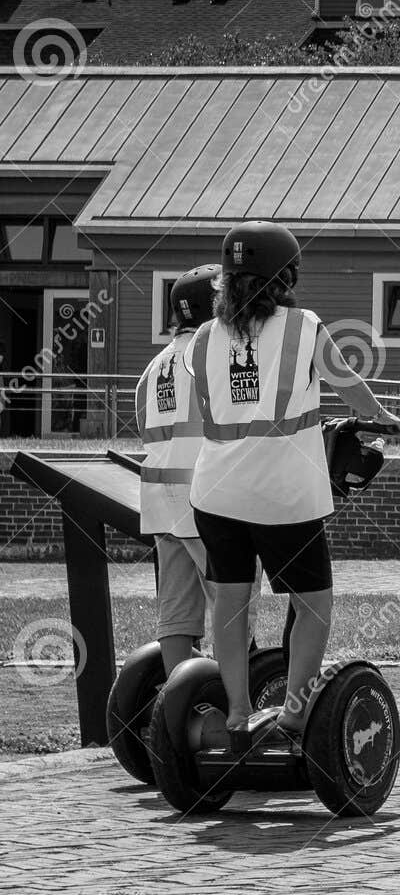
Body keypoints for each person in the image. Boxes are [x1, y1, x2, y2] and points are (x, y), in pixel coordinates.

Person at [188, 221, 400, 751]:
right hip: (283, 496)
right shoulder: (304, 327)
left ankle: (237, 715)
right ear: (286, 276)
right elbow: (349, 386)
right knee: (312, 605)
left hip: (214, 493)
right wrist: (382, 417)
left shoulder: (201, 337)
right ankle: (294, 718)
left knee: (233, 606)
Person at [135, 264, 223, 676]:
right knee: (231, 601)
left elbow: (144, 428)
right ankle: (233, 698)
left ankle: (178, 700)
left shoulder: (154, 368)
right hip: (205, 497)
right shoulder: (211, 355)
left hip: (159, 500)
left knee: (175, 611)